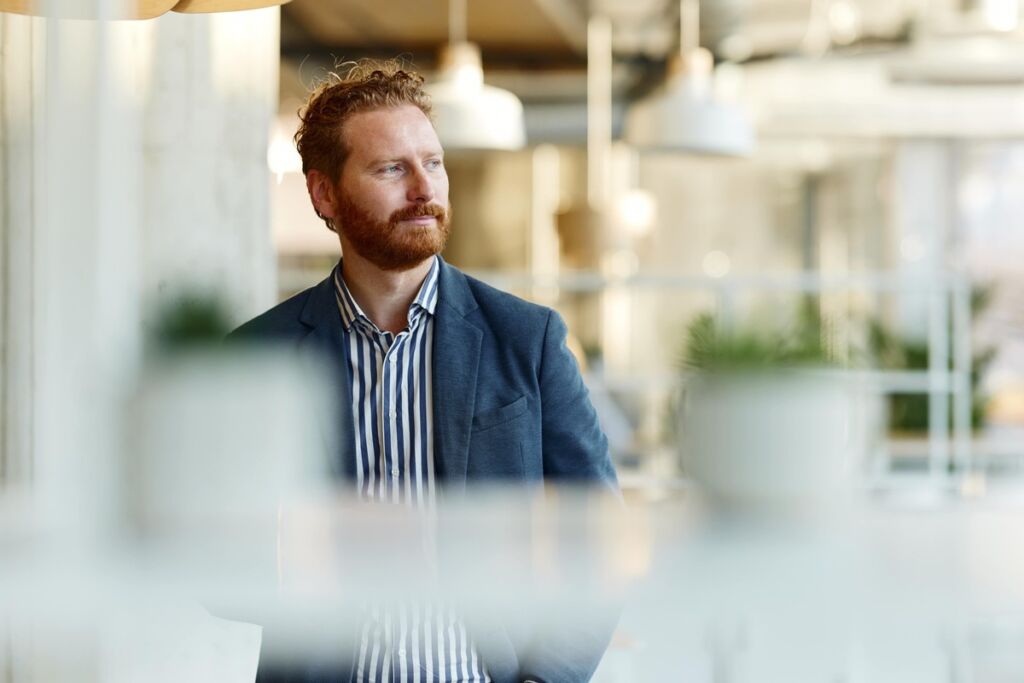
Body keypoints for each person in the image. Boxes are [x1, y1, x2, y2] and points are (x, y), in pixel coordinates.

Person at [230, 60, 619, 683]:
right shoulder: (258, 357)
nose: (424, 188)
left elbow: (598, 538)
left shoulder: (528, 339)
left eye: (432, 163)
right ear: (324, 193)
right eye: (391, 168)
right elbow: (209, 559)